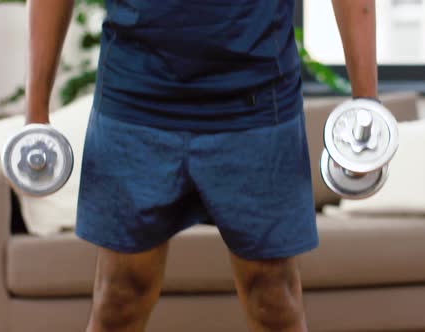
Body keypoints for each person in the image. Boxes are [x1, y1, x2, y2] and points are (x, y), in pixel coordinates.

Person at [26, 0, 378, 331]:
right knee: (119, 298)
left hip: (257, 104)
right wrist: (35, 113)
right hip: (135, 98)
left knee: (274, 301)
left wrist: (366, 107)